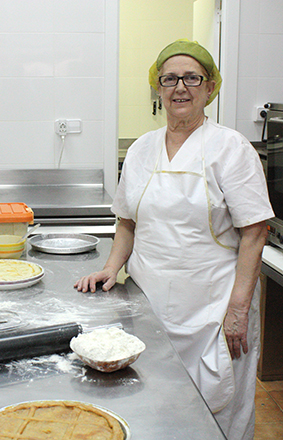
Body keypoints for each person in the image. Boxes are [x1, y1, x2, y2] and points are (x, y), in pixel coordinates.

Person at [75, 39, 273, 440]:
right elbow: (126, 222)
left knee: (217, 410)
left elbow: (255, 230)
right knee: (155, 404)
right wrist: (111, 267)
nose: (180, 87)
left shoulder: (230, 148)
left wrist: (238, 308)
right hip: (151, 307)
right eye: (169, 79)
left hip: (214, 311)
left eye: (191, 78)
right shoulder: (141, 149)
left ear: (210, 87)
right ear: (159, 88)